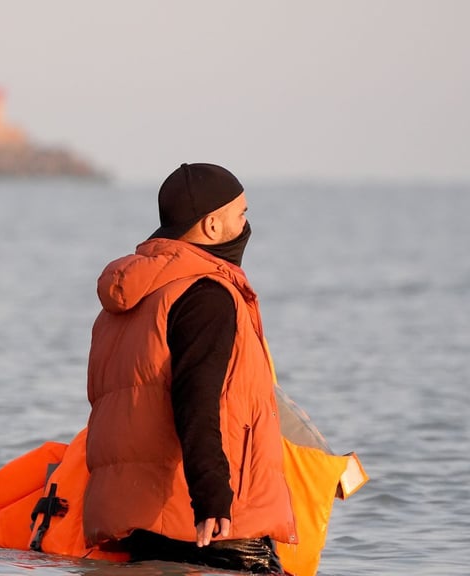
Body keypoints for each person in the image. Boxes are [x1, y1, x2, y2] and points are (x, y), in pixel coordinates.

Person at [82, 163, 296, 574]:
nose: (247, 224)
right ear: (213, 226)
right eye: (242, 214)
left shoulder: (131, 299)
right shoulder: (207, 295)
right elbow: (198, 400)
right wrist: (212, 497)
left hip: (142, 524)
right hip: (213, 526)